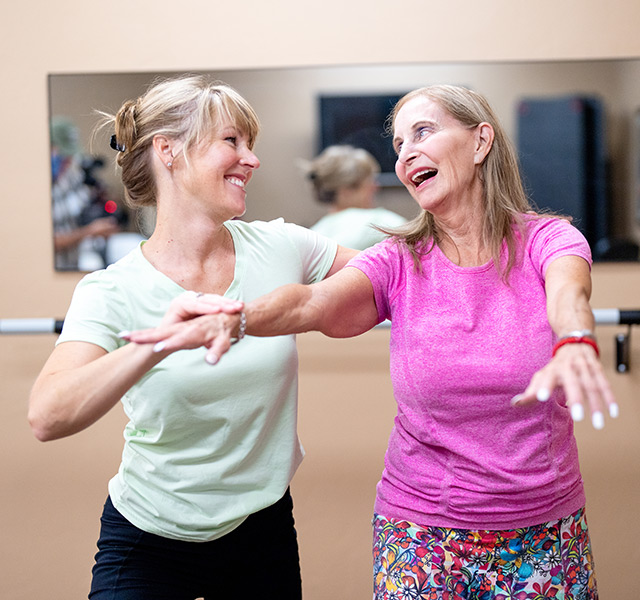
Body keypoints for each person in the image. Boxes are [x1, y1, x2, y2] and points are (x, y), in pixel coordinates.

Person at [124, 84, 617, 599]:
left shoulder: (548, 240)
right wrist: (237, 316)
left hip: (546, 532)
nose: (406, 155)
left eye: (422, 132)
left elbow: (570, 293)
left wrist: (576, 340)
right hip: (421, 535)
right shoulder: (399, 260)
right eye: (399, 145)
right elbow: (311, 303)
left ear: (480, 141)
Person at [29, 75, 357, 600]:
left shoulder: (283, 247)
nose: (251, 159)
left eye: (250, 145)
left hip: (261, 529)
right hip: (148, 537)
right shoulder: (111, 290)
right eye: (232, 141)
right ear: (169, 151)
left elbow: (392, 276)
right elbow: (47, 415)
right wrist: (158, 342)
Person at [304, 144, 407, 250]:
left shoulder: (312, 235)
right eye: (370, 182)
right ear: (346, 190)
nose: (376, 187)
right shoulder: (379, 222)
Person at [50, 116, 120, 270]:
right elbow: (46, 243)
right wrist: (89, 232)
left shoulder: (72, 181)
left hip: (74, 263)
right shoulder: (38, 190)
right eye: (62, 155)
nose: (68, 161)